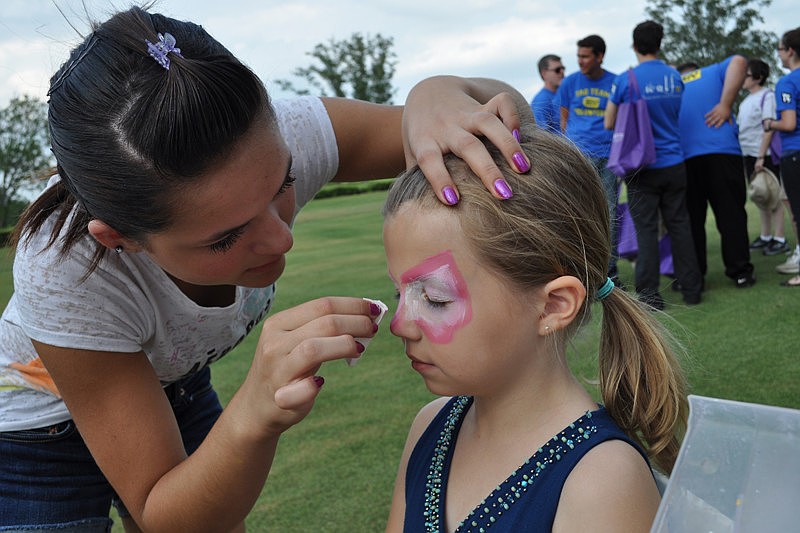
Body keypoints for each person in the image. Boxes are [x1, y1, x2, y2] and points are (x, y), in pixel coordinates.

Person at [0, 7, 532, 532]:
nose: (283, 238)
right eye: (226, 237)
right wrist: (254, 410)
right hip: (36, 432)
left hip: (177, 382)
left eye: (284, 185)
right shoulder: (63, 272)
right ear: (121, 239)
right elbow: (162, 513)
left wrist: (437, 93)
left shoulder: (287, 133)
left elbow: (506, 122)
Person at [383, 120, 688, 532]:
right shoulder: (430, 426)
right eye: (400, 294)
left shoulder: (601, 480)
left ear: (553, 306)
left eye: (434, 298)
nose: (400, 324)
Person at [605, 20, 702, 309]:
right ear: (660, 44)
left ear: (634, 46)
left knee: (646, 231)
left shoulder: (625, 79)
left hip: (641, 167)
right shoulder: (674, 77)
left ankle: (650, 296)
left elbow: (610, 121)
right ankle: (692, 289)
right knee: (680, 226)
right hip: (675, 162)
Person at [678, 56, 756, 288]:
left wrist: (724, 105)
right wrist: (725, 104)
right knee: (731, 215)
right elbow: (740, 61)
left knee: (691, 221)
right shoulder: (713, 72)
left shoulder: (673, 82)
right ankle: (740, 271)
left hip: (686, 157)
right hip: (722, 153)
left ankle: (694, 278)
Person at [556, 34, 620, 283]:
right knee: (576, 213)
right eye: (578, 56)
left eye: (585, 56)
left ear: (599, 56)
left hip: (607, 157)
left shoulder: (615, 82)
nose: (580, 61)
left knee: (608, 213)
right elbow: (564, 119)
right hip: (578, 157)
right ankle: (579, 269)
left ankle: (608, 273)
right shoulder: (570, 82)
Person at [737, 58, 790, 256]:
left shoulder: (767, 96)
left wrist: (760, 156)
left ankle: (779, 238)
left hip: (764, 154)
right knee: (760, 195)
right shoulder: (745, 101)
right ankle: (766, 235)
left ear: (758, 78)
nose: (743, 78)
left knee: (773, 195)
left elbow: (768, 128)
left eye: (747, 75)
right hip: (748, 154)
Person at [768, 27, 800, 287]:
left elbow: (788, 123)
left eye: (779, 49)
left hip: (795, 153)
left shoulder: (787, 82)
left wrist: (771, 123)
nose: (778, 54)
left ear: (790, 51)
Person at [530, 54, 565, 134]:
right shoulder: (541, 101)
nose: (562, 72)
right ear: (544, 73)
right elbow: (541, 136)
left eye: (563, 68)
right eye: (557, 70)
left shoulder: (564, 95)